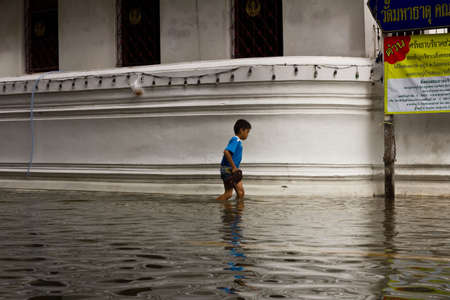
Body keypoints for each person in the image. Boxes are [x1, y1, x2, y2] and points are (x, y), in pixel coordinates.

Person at [216, 119, 251, 201]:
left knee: (233, 193)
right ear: (241, 130)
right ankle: (237, 211)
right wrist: (234, 167)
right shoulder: (236, 140)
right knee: (237, 193)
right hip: (229, 169)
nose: (247, 134)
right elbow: (226, 152)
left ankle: (233, 211)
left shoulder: (236, 141)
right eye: (247, 132)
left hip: (227, 169)